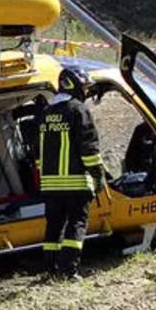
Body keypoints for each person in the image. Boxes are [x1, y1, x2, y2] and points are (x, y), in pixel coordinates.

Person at [37, 67, 104, 278]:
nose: (87, 91)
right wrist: (98, 175)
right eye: (85, 87)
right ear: (74, 86)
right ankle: (68, 270)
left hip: (50, 185)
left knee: (53, 228)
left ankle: (50, 269)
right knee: (76, 225)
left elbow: (37, 153)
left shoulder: (46, 114)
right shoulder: (78, 111)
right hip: (76, 182)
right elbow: (89, 148)